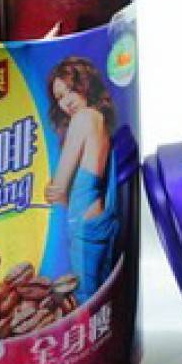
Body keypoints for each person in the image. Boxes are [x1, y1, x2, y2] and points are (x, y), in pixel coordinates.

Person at [41, 57, 119, 304]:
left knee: (86, 299)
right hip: (100, 217)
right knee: (105, 294)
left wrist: (51, 190)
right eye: (60, 97)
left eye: (71, 89)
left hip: (84, 224)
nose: (67, 101)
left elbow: (58, 186)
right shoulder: (100, 119)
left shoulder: (83, 118)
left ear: (85, 84)